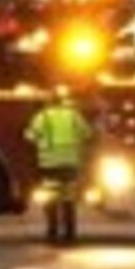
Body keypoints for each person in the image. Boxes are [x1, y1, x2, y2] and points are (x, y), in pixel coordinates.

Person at [27, 87, 94, 246]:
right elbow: (87, 134)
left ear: (49, 102)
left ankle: (52, 231)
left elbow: (30, 136)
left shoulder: (42, 117)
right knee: (68, 198)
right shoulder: (73, 116)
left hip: (49, 163)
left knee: (51, 197)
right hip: (70, 163)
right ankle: (70, 233)